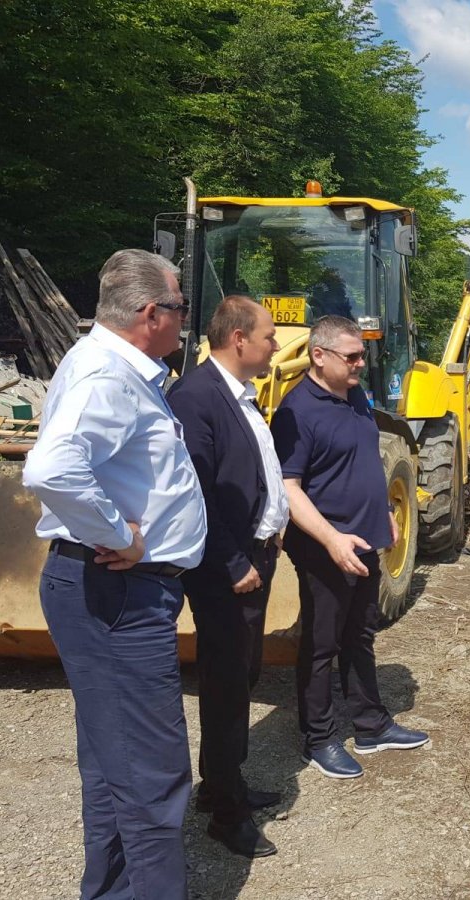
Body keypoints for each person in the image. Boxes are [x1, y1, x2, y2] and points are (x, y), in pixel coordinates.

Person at [22, 249, 206, 900]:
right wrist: (115, 531)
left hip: (111, 590)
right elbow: (50, 470)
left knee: (111, 764)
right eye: (180, 308)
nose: (186, 321)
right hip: (116, 592)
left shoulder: (120, 367)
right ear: (152, 313)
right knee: (153, 775)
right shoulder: (107, 374)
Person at [270, 315, 429, 779]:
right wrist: (332, 539)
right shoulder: (296, 412)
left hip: (365, 538)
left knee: (360, 634)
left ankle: (371, 725)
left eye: (363, 354)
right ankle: (318, 738)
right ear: (319, 356)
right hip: (325, 545)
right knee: (321, 645)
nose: (362, 362)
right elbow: (289, 487)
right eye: (352, 356)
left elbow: (360, 462)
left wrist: (381, 511)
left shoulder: (356, 396)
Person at [166, 296, 287, 859]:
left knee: (240, 675)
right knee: (225, 684)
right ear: (238, 338)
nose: (276, 345)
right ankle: (226, 813)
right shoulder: (197, 397)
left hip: (254, 556)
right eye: (268, 336)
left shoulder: (237, 394)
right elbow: (197, 493)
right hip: (227, 568)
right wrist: (233, 561)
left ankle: (219, 786)